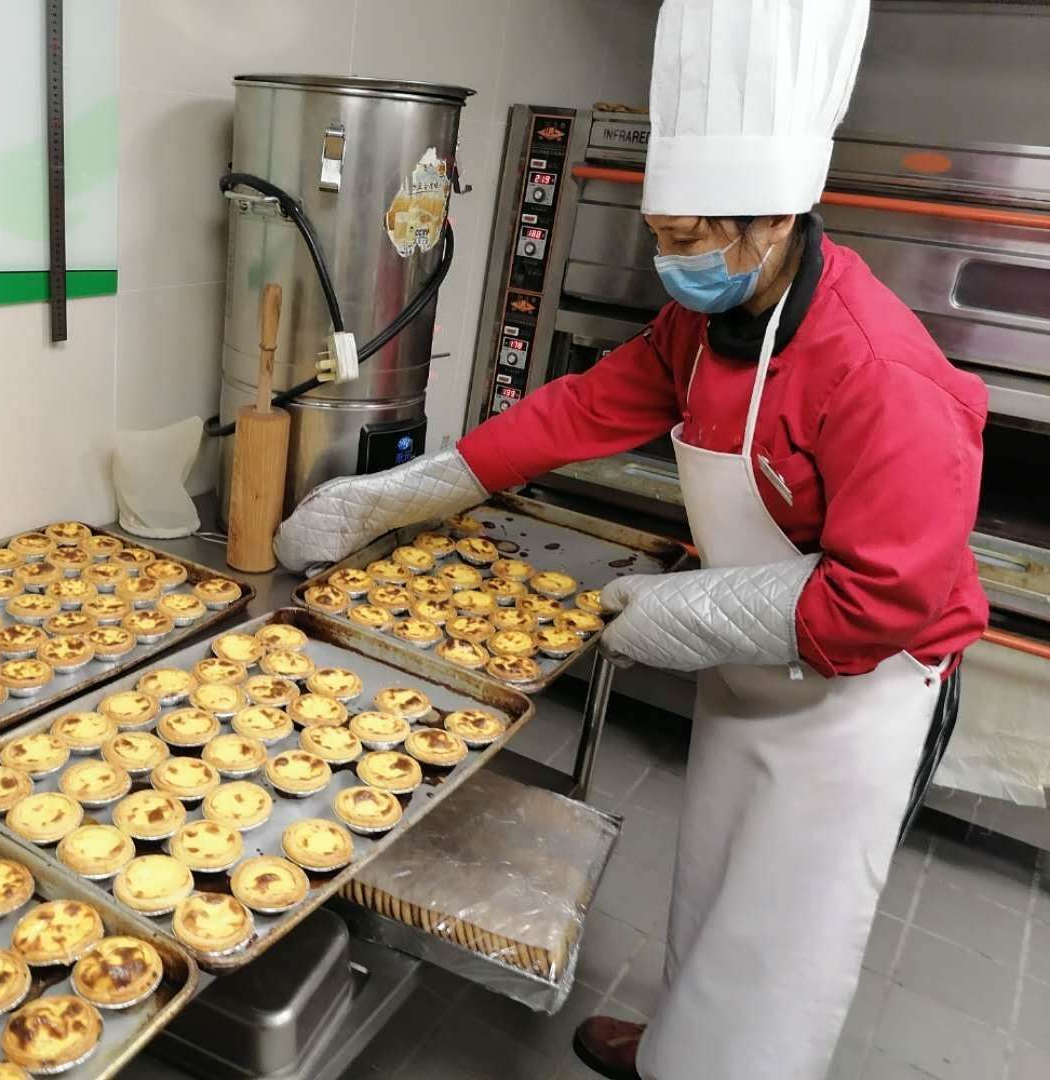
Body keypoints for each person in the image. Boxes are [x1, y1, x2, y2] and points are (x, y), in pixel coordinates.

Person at [273, 1, 989, 1077]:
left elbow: (887, 598)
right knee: (713, 877)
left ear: (775, 222)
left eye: (691, 241)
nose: (670, 263)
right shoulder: (705, 321)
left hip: (860, 692)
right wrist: (406, 493)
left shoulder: (880, 374)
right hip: (751, 664)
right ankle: (681, 1046)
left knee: (784, 930)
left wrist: (689, 613)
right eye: (660, 236)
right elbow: (581, 409)